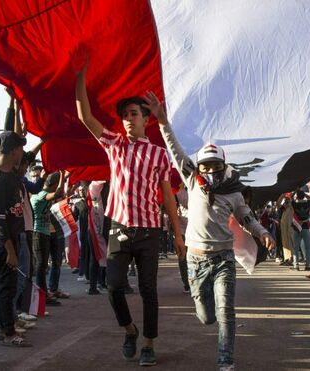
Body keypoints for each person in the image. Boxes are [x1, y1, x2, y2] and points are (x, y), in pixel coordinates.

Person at [149, 91, 275, 371]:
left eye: (215, 166)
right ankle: (207, 315)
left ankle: (226, 361)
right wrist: (162, 122)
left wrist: (263, 232)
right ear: (199, 167)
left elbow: (247, 219)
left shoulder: (235, 192)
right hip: (195, 261)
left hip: (223, 261)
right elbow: (174, 149)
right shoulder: (192, 181)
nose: (210, 171)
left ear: (223, 166)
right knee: (206, 317)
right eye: (205, 166)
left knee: (226, 313)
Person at [75, 60, 185, 366]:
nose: (127, 119)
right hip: (119, 227)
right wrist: (80, 75)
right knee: (113, 287)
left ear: (147, 119)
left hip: (149, 230)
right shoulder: (114, 144)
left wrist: (177, 235)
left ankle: (149, 343)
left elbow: (168, 197)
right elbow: (85, 116)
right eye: (124, 115)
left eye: (133, 114)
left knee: (149, 290)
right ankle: (130, 330)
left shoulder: (160, 154)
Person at [0, 131, 30, 347]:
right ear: (13, 151)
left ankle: (7, 325)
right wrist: (11, 252)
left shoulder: (7, 169)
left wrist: (13, 103)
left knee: (7, 286)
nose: (23, 153)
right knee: (7, 287)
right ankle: (8, 332)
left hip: (13, 237)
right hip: (4, 242)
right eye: (20, 148)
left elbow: (9, 130)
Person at [30, 171, 66, 305]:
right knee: (41, 266)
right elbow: (58, 194)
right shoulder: (41, 195)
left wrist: (64, 175)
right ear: (54, 184)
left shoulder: (42, 194)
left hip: (43, 233)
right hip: (38, 233)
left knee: (43, 265)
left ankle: (44, 294)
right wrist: (62, 175)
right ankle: (43, 295)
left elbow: (58, 193)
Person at [292, 190, 310, 271]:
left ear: (296, 196)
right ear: (304, 196)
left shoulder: (295, 204)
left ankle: (296, 266)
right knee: (308, 247)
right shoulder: (307, 203)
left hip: (296, 228)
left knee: (296, 248)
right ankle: (307, 265)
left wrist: (295, 191)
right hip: (306, 227)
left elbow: (291, 199)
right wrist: (305, 196)